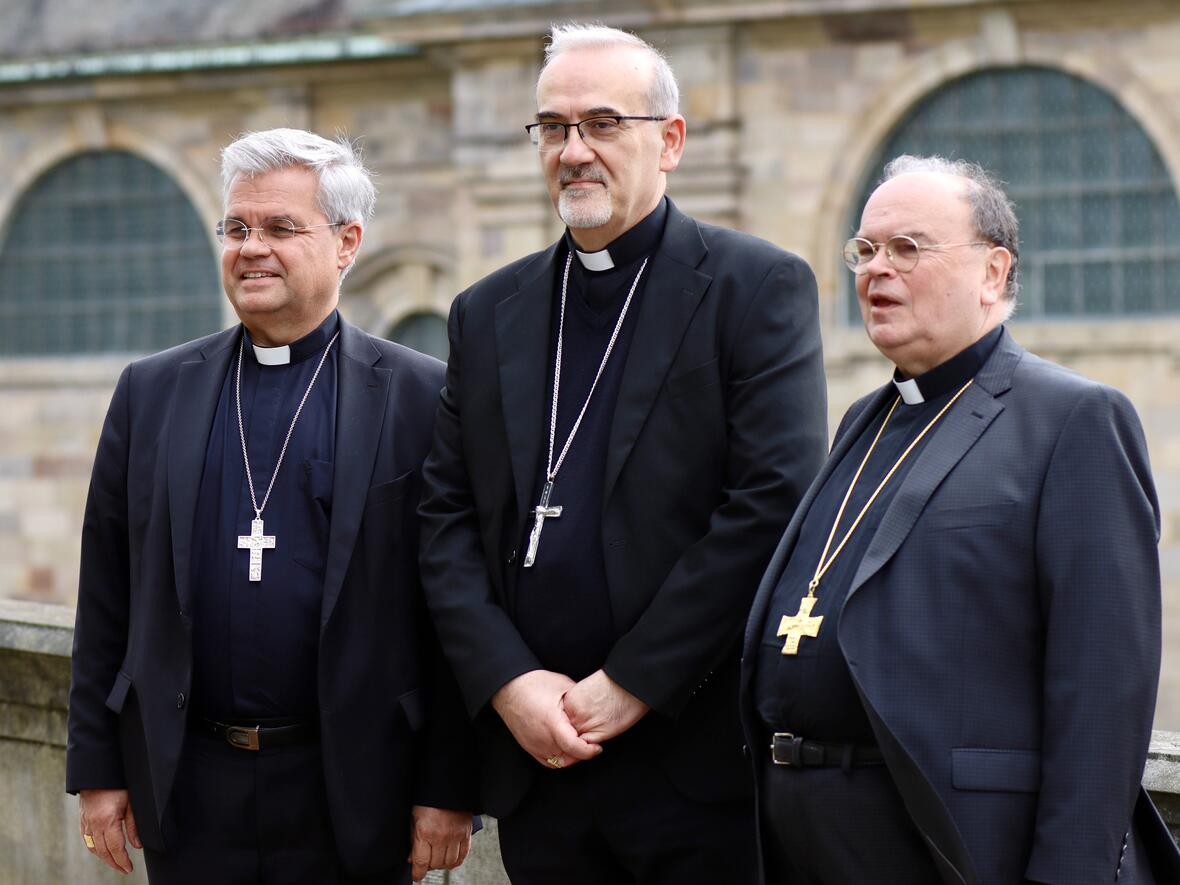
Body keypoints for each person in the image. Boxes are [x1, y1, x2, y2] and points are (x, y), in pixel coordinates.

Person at [417, 22, 827, 885]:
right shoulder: (488, 311)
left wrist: (632, 681)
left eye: (603, 123)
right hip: (540, 761)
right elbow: (444, 519)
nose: (574, 150)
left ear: (668, 140)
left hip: (693, 763)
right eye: (554, 128)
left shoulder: (755, 289)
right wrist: (507, 682)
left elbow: (774, 502)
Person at [740, 154, 1180, 884]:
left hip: (952, 846)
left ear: (993, 271)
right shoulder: (865, 418)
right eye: (866, 249)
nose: (877, 269)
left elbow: (1105, 690)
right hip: (804, 844)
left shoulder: (1071, 419)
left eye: (908, 248)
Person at [66, 128, 477, 884]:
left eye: (281, 228)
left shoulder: (423, 397)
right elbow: (106, 597)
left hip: (353, 786)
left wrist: (448, 786)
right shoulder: (151, 393)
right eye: (237, 227)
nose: (251, 247)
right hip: (190, 785)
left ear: (347, 241)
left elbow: (454, 607)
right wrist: (97, 769)